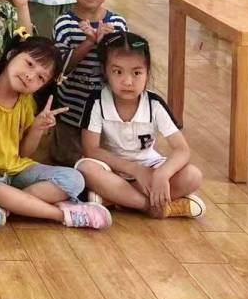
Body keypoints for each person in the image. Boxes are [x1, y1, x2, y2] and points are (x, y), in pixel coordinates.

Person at [0, 37, 109, 230]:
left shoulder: (27, 103)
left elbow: (24, 152)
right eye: (29, 64)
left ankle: (8, 205)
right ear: (11, 54)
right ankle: (62, 214)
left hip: (14, 170)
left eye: (41, 78)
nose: (30, 76)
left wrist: (37, 128)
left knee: (74, 179)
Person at [77, 32, 204, 218]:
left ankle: (114, 199)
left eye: (136, 73)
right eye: (117, 72)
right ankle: (151, 206)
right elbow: (91, 150)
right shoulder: (97, 101)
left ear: (147, 72)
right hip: (111, 169)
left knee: (193, 175)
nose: (127, 82)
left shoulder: (154, 104)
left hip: (149, 168)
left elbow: (182, 149)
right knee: (86, 169)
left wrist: (162, 174)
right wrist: (135, 170)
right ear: (105, 71)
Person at [51, 0, 127, 166]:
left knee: (104, 163)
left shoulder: (117, 23)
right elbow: (61, 67)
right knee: (69, 161)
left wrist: (106, 43)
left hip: (106, 114)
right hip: (71, 113)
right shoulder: (64, 23)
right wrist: (89, 42)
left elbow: (123, 67)